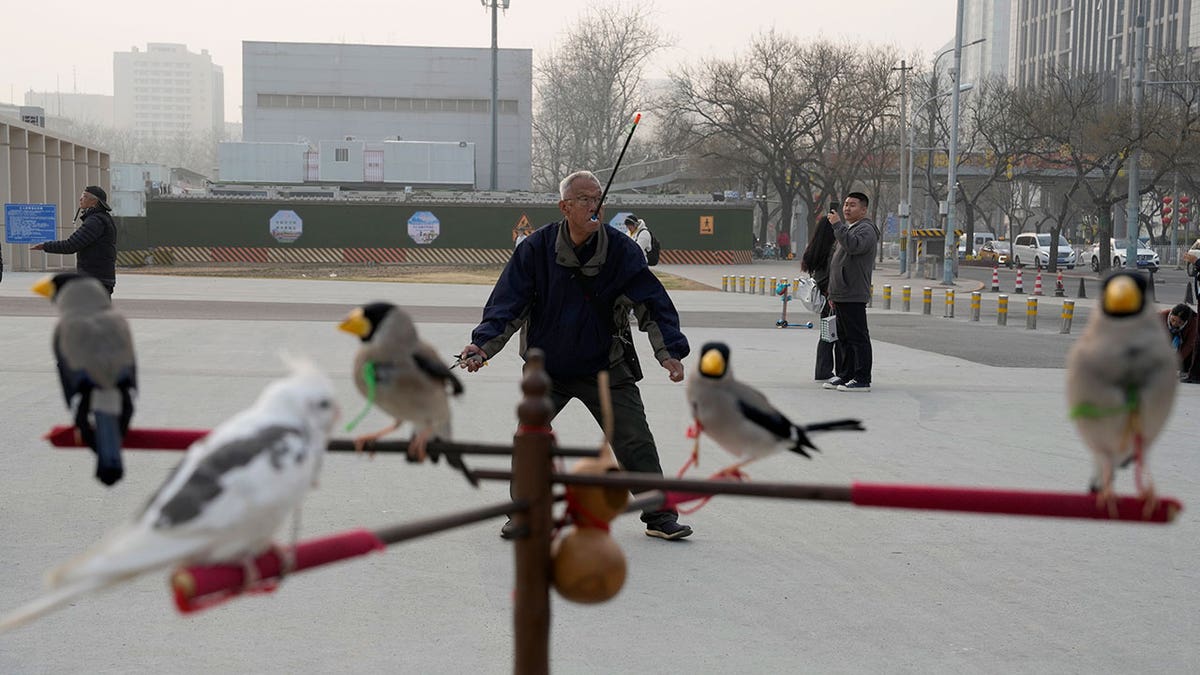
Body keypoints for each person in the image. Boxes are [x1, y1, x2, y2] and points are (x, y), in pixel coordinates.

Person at [459, 170, 693, 540]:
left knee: (635, 440)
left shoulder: (622, 250)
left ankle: (660, 516)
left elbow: (652, 303)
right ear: (564, 206)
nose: (593, 205)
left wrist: (669, 352)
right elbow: (506, 306)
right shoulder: (535, 249)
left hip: (607, 364)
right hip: (547, 367)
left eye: (598, 198)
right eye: (584, 199)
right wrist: (481, 347)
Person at [823, 192, 877, 392]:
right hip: (840, 292)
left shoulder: (866, 229)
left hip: (853, 292)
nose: (847, 208)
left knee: (857, 337)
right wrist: (831, 291)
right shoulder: (850, 228)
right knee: (843, 338)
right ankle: (845, 374)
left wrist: (838, 225)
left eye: (853, 205)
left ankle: (862, 378)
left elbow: (854, 246)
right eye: (846, 204)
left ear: (863, 209)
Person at [31, 186, 117, 295]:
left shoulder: (95, 221)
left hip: (95, 279)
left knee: (88, 311)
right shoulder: (103, 218)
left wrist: (45, 246)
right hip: (99, 278)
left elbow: (71, 245)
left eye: (85, 196)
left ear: (94, 202)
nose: (81, 199)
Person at [800, 215, 837, 381]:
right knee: (833, 334)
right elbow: (832, 274)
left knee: (826, 333)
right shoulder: (832, 251)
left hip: (822, 296)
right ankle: (825, 371)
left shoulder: (815, 249)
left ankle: (822, 370)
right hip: (831, 296)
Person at [1160, 303, 1200, 384]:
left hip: (1186, 353)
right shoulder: (1160, 317)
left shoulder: (1193, 324)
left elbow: (1189, 346)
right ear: (1170, 315)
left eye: (1179, 322)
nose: (1174, 324)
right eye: (1173, 320)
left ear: (1186, 322)